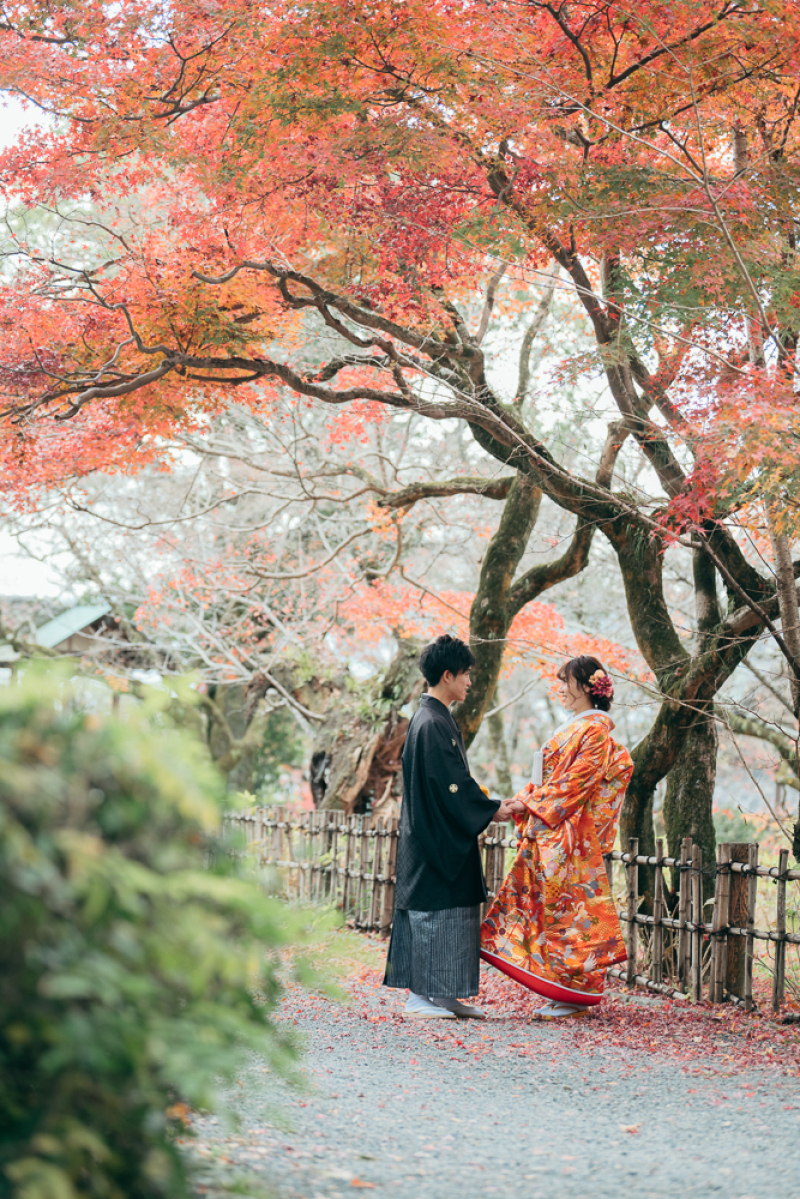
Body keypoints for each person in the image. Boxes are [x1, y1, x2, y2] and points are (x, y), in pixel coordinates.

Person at [480, 655, 634, 1020]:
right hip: (558, 829)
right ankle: (562, 988)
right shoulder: (578, 727)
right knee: (554, 913)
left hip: (570, 835)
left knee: (571, 915)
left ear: (585, 686)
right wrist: (525, 800)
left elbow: (574, 784)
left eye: (566, 681)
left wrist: (529, 802)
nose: (561, 689)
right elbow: (551, 782)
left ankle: (576, 993)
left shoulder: (594, 729)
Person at [383, 634, 521, 1019]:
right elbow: (451, 785)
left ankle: (441, 994)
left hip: (437, 830)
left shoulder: (433, 718)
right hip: (433, 835)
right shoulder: (430, 721)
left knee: (450, 912)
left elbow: (454, 780)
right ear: (447, 675)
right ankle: (419, 995)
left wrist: (490, 806)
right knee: (433, 911)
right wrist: (492, 809)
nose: (470, 682)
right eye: (465, 675)